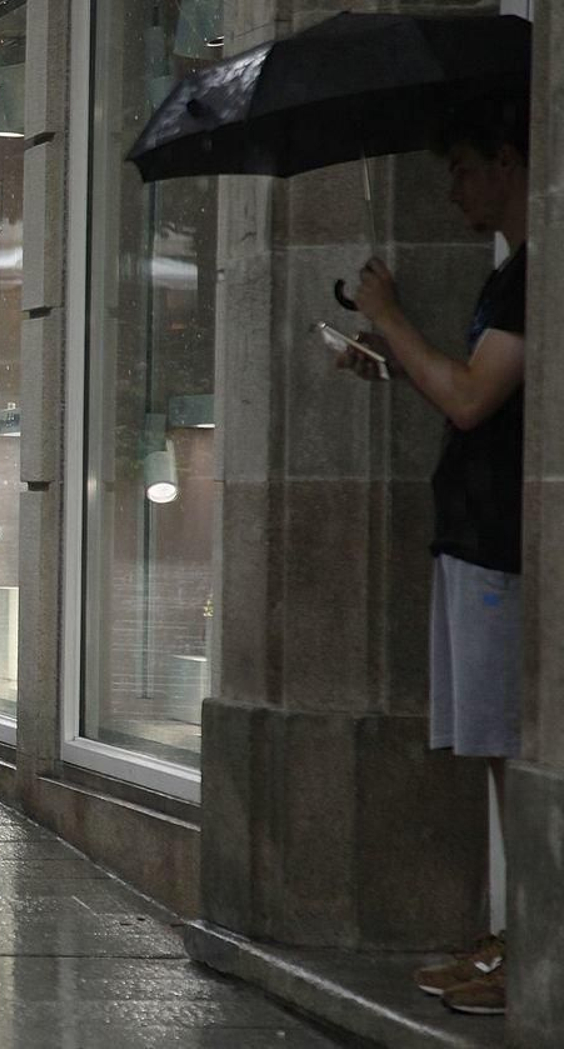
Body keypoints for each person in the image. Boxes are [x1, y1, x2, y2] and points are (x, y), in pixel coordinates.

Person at [338, 94, 528, 1019]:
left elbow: (470, 399)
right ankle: (513, 939)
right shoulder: (508, 279)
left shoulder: (533, 276)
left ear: (505, 159)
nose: (452, 188)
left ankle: (526, 947)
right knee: (491, 746)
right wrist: (391, 352)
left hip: (498, 545)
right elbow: (465, 401)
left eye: (461, 167)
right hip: (472, 535)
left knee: (510, 750)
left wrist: (391, 312)